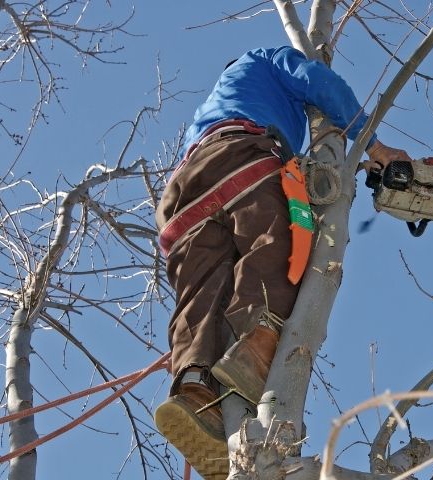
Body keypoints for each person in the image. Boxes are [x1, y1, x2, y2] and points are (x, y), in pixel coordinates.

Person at [153, 46, 411, 478]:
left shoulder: (211, 108)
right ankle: (255, 348)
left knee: (202, 295)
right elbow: (318, 82)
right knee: (285, 250)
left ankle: (196, 387)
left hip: (181, 197)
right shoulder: (262, 60)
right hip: (240, 156)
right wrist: (375, 143)